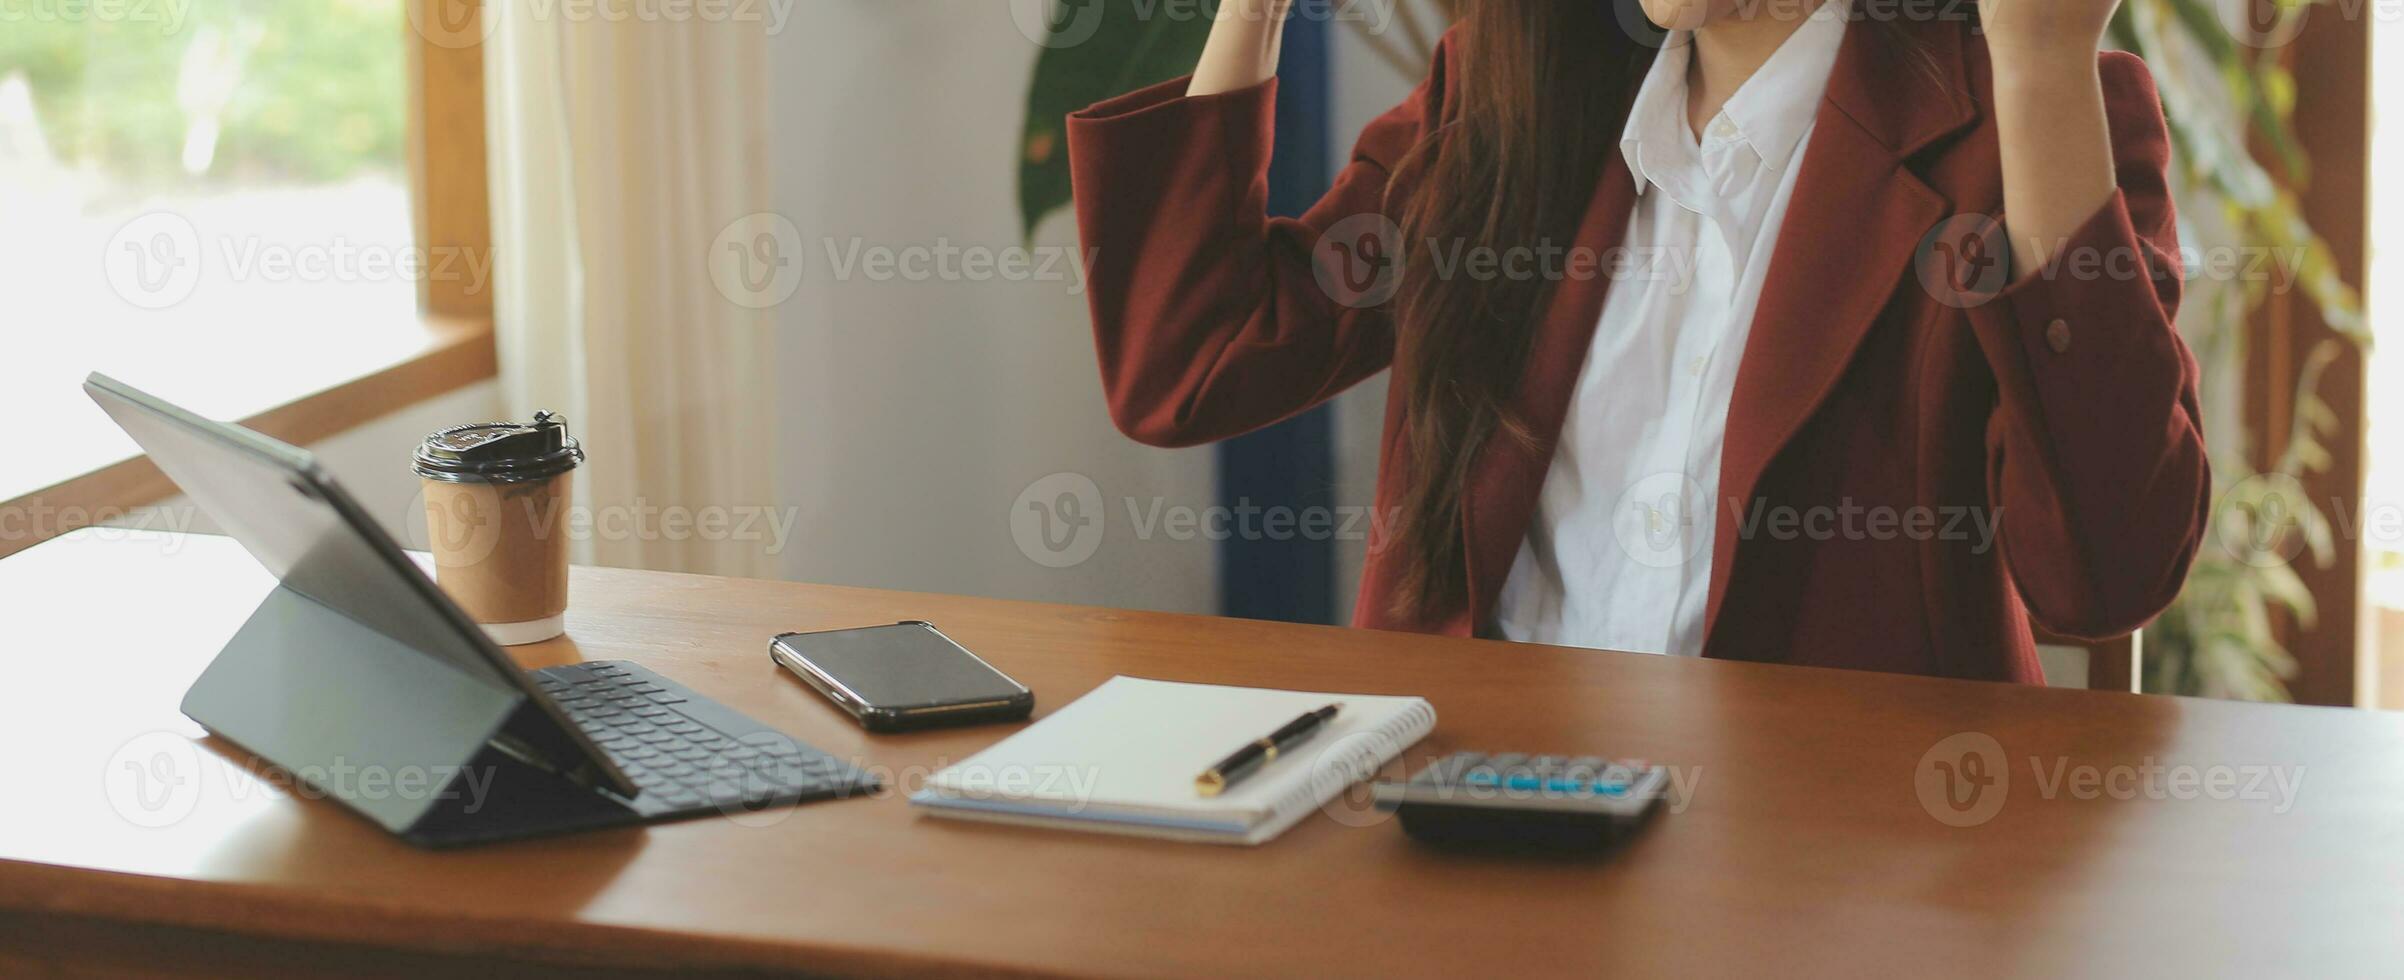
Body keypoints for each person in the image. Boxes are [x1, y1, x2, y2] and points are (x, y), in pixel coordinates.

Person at [1064, 0, 2206, 682]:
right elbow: (1191, 354)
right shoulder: (1508, 99)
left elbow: (2103, 579)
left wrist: (2043, 65)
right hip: (1466, 847)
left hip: (1842, 884)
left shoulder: (2028, 118)